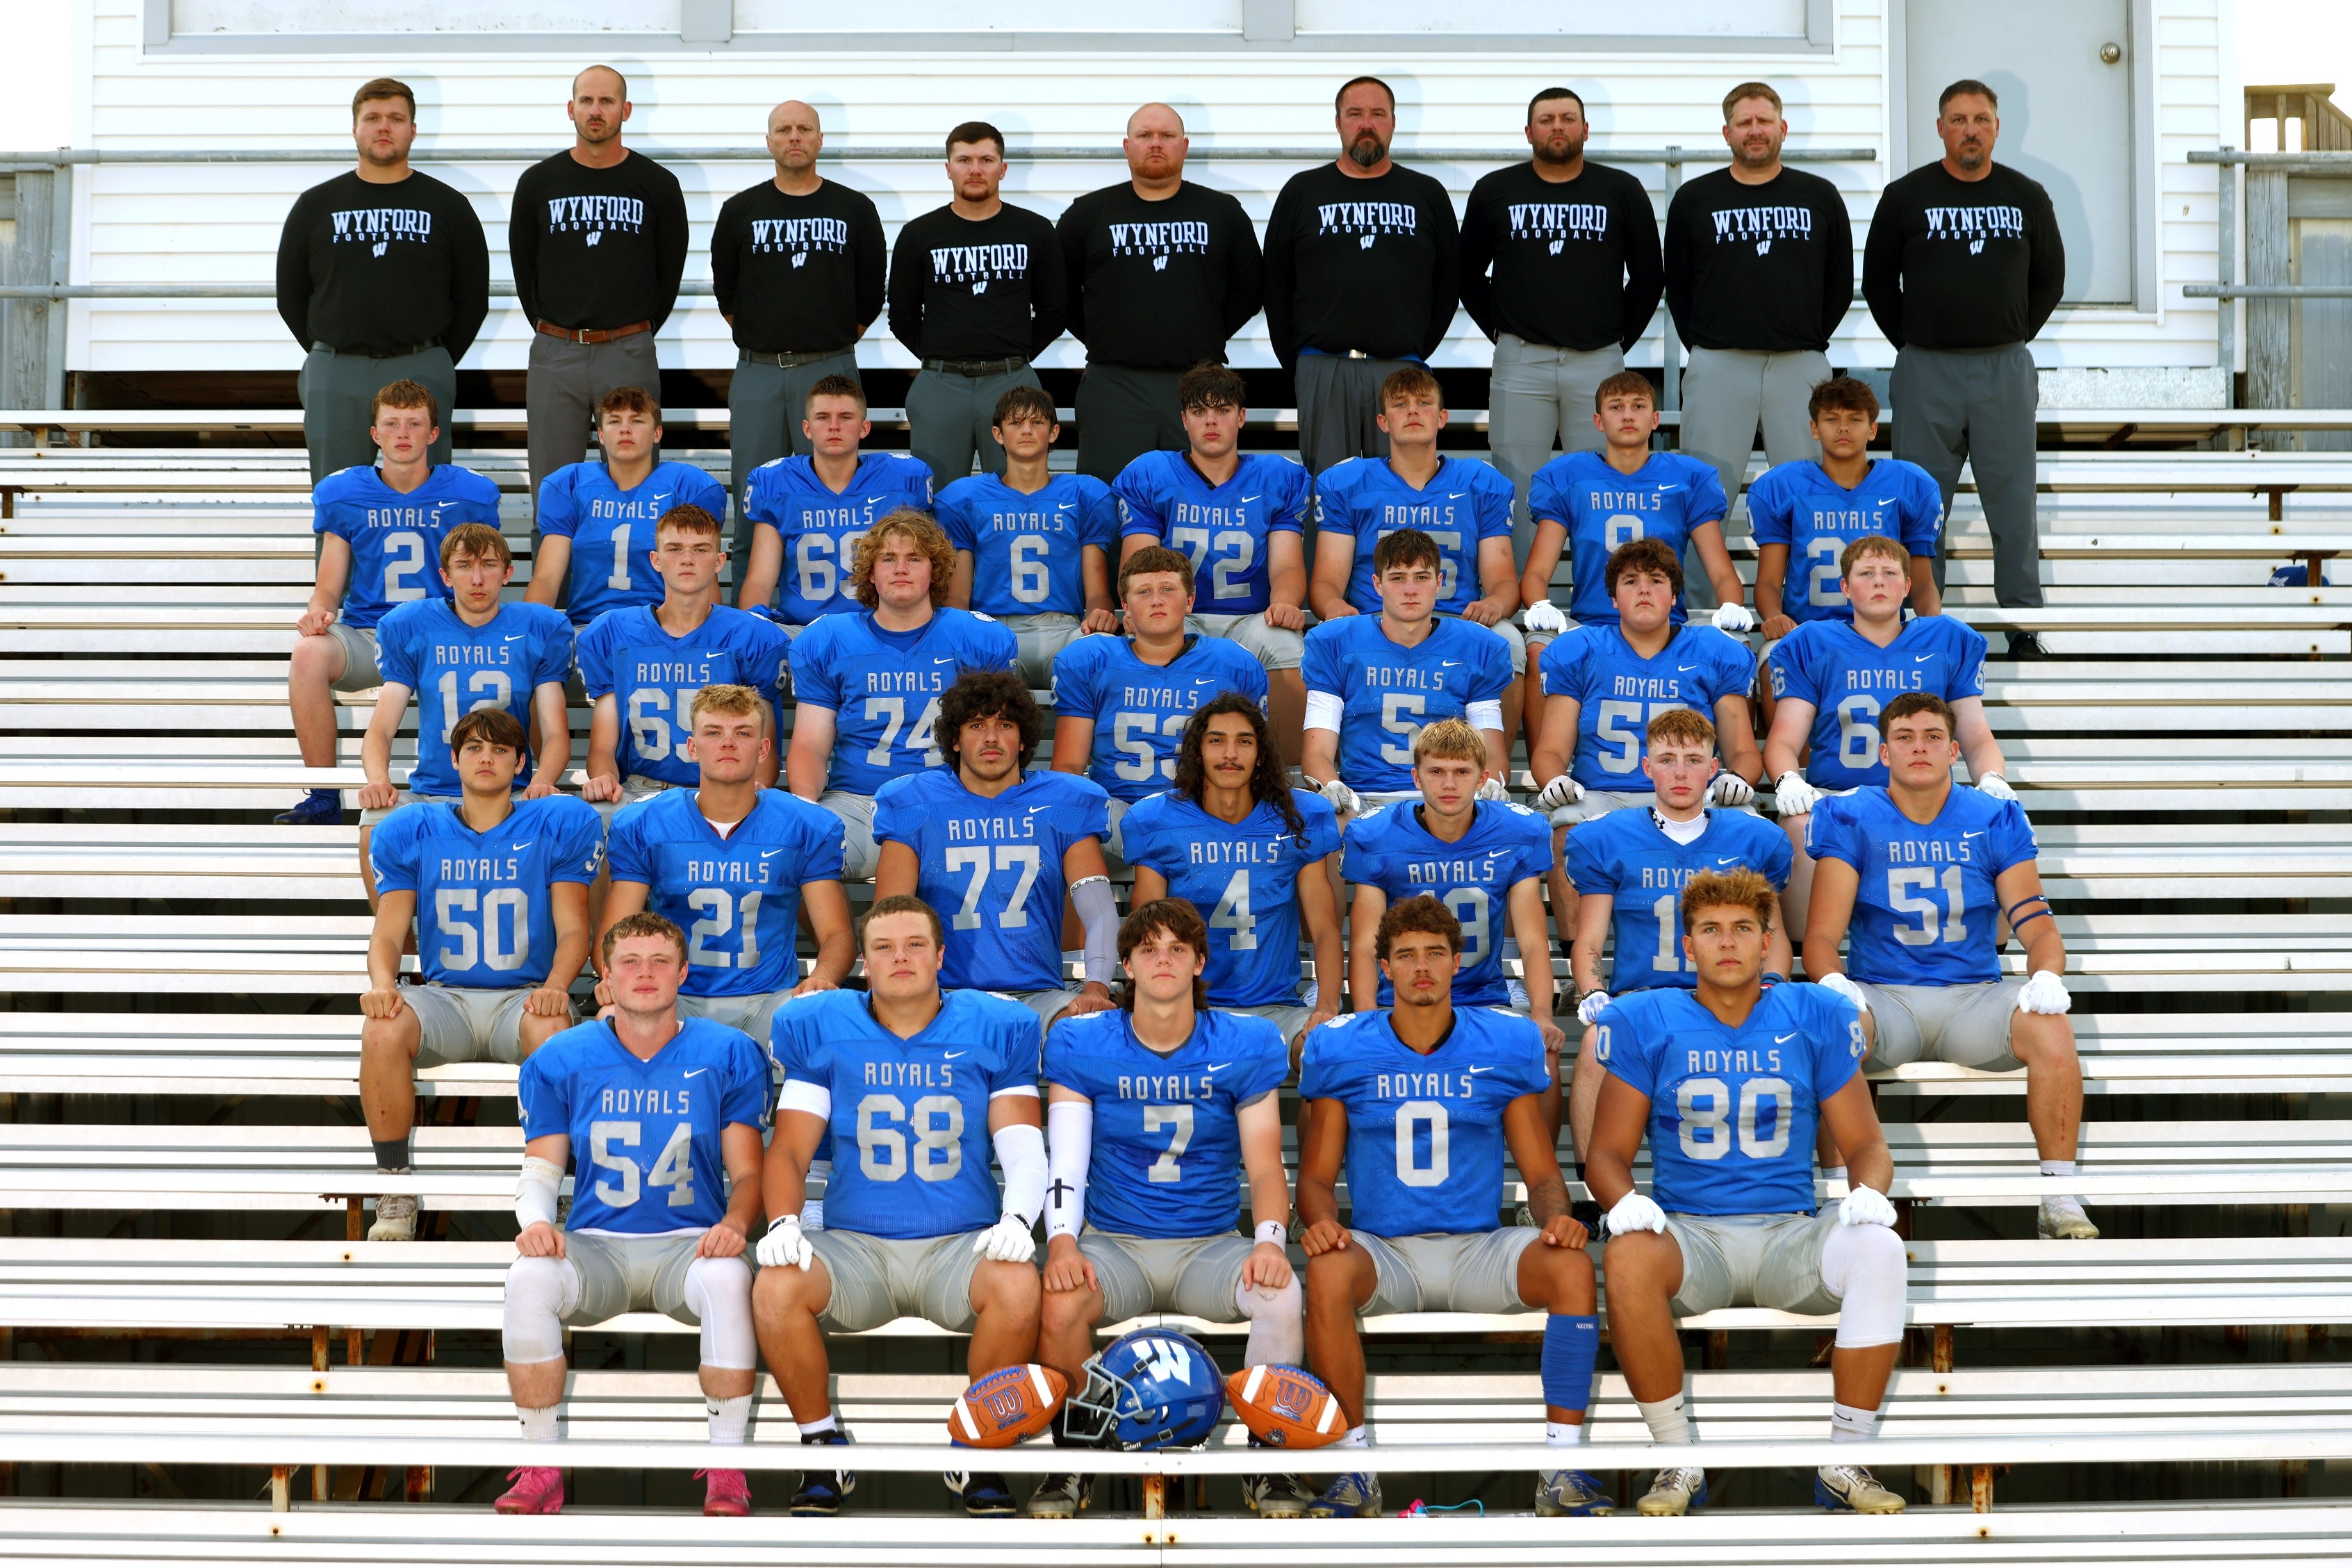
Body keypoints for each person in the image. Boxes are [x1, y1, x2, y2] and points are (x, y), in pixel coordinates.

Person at [1587, 868, 1910, 1517]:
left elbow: (1867, 1146)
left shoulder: (1812, 1013)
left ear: (1768, 942)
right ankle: (1674, 1458)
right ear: (1687, 945)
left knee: (1880, 1248)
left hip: (1790, 1231)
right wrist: (1622, 1200)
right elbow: (1605, 1154)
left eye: (1742, 929)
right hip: (1690, 1234)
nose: (1726, 943)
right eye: (1710, 930)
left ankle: (1845, 1456)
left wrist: (1869, 1193)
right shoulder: (1648, 1017)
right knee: (1624, 1254)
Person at [1297, 896, 1605, 1520]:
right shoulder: (1345, 1048)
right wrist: (1323, 1222)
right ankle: (1353, 1468)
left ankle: (1561, 1464)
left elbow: (1542, 1173)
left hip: (1477, 1246)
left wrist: (1556, 1218)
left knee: (1572, 1267)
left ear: (1456, 961)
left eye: (1434, 953)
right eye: (1405, 955)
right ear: (1382, 966)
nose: (1421, 968)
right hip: (1385, 1251)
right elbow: (1315, 1177)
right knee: (1327, 1269)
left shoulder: (1500, 1043)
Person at [754, 895, 1048, 1519]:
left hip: (958, 1245)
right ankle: (821, 1444)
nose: (901, 958)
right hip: (856, 1247)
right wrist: (783, 1219)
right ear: (862, 961)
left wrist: (1019, 1218)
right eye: (884, 947)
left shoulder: (993, 1026)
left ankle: (978, 1447)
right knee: (774, 1286)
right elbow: (787, 1152)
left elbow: (1022, 1147)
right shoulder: (825, 1026)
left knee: (1019, 1282)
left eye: (915, 944)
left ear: (942, 955)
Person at [1030, 898, 1307, 1519]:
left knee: (1281, 1294)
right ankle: (1071, 1462)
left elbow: (1265, 1164)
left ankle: (1270, 1461)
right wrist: (1063, 1242)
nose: (1162, 960)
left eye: (1176, 949)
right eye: (1148, 949)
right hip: (1114, 1241)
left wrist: (1267, 1239)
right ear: (1125, 963)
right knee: (1060, 1295)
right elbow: (1066, 1161)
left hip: (1208, 1242)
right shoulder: (1082, 1040)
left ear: (1199, 962)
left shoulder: (1245, 1041)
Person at [493, 910, 769, 1519]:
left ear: (683, 972)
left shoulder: (725, 1051)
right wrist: (534, 1220)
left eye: (660, 961)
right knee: (527, 1276)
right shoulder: (562, 1056)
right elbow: (541, 1167)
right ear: (606, 979)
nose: (645, 974)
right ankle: (541, 1464)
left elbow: (749, 1173)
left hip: (690, 1243)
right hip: (597, 1242)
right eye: (630, 963)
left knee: (730, 1276)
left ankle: (727, 1467)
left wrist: (735, 1225)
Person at [1804, 693, 2094, 1240]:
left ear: (1955, 750)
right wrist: (1833, 982)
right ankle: (1838, 1197)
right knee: (1828, 1025)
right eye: (1905, 737)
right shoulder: (1851, 813)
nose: (1919, 747)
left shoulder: (1992, 816)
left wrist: (2046, 974)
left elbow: (2037, 926)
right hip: (1884, 996)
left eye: (1932, 737)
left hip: (1972, 997)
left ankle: (2057, 1194)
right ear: (1883, 753)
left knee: (2051, 1026)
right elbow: (1820, 936)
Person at [360, 708, 602, 1242]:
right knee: (381, 1029)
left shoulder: (553, 824)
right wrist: (382, 982)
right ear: (454, 759)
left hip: (523, 996)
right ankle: (394, 1183)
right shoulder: (414, 828)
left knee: (553, 1029)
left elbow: (572, 929)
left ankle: (555, 1186)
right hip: (446, 997)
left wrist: (557, 985)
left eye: (498, 750)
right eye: (473, 748)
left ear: (521, 763)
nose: (485, 758)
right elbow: (388, 930)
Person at [1864, 79, 2065, 654]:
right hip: (1927, 369)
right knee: (1920, 506)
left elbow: (2049, 278)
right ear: (1940, 128)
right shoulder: (1905, 196)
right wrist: (1911, 340)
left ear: (1997, 127)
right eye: (1957, 119)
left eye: (1980, 119)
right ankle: (1919, 625)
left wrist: (2011, 332)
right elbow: (1878, 282)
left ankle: (2022, 626)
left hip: (2002, 366)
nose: (1969, 129)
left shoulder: (2026, 195)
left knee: (2012, 502)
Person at [1563, 708, 1793, 1155]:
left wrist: (1773, 984)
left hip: (1726, 996)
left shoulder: (1751, 839)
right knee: (1595, 1044)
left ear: (1714, 768)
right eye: (1667, 759)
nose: (1681, 772)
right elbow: (1588, 939)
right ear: (1647, 767)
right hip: (1644, 999)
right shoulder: (1609, 837)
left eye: (1693, 759)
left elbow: (1775, 935)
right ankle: (1598, 1196)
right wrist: (1592, 990)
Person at [279, 379, 502, 827]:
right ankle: (323, 794)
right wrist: (318, 611)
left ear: (433, 434)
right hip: (371, 636)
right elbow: (329, 583)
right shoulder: (345, 493)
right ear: (375, 434)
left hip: (445, 634)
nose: (403, 433)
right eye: (392, 423)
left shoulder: (468, 493)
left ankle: (484, 796)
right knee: (307, 653)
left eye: (415, 423)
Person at [1766, 534, 2004, 937]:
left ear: (1908, 587)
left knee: (1998, 820)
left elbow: (1977, 736)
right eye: (1866, 574)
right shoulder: (1812, 644)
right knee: (1797, 825)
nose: (1879, 582)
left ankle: (1983, 956)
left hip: (1926, 797)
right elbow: (1784, 740)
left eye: (1890, 573)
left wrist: (1992, 779)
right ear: (1845, 586)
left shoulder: (1946, 641)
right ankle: (1811, 954)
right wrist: (1788, 779)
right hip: (1841, 798)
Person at [1460, 86, 1663, 555]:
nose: (1557, 127)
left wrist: (1614, 338)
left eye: (1567, 118)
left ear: (1585, 130)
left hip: (1597, 363)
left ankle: (1603, 598)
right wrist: (1501, 330)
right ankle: (1519, 602)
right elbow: (1465, 274)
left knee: (1602, 483)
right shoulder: (1495, 190)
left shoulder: (1620, 190)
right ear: (1529, 131)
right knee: (1515, 486)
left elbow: (1649, 276)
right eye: (1547, 119)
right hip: (1520, 362)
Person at [600, 684, 854, 1043]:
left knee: (822, 1018)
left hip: (770, 998)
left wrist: (822, 977)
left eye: (744, 733)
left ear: (764, 749)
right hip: (676, 997)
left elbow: (836, 934)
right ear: (692, 747)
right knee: (613, 1016)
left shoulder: (803, 825)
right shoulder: (647, 823)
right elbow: (615, 933)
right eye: (714, 732)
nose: (728, 743)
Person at [1663, 82, 1855, 553]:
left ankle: (1812, 614)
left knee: (1811, 497)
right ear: (1726, 132)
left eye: (1763, 121)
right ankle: (1699, 616)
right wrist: (1709, 345)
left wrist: (1804, 336)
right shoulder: (1693, 198)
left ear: (1782, 129)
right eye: (1744, 122)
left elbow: (1839, 281)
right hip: (1719, 364)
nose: (1754, 131)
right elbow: (1678, 285)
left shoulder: (1819, 196)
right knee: (1703, 500)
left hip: (1799, 366)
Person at [872, 671, 1119, 1032]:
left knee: (1091, 1031)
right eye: (975, 725)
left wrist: (1096, 986)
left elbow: (1099, 910)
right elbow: (889, 919)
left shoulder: (1063, 801)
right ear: (955, 740)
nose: (991, 737)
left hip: (1040, 995)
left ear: (1023, 740)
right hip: (944, 996)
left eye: (1004, 724)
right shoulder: (916, 803)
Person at [784, 510, 1019, 880]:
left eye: (914, 558)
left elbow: (995, 737)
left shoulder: (975, 639)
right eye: (888, 559)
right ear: (870, 572)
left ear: (935, 571)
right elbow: (811, 744)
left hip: (949, 798)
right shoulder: (830, 639)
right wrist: (806, 809)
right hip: (857, 802)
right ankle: (840, 941)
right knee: (789, 854)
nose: (901, 569)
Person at [277, 78, 488, 484]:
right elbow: (291, 295)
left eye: (396, 118)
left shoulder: (449, 206)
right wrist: (331, 353)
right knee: (338, 501)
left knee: (428, 500)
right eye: (372, 118)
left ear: (413, 129)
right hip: (337, 372)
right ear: (355, 127)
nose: (384, 127)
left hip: (421, 365)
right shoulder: (316, 205)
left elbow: (472, 297)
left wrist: (433, 358)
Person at [1520, 372, 1753, 732]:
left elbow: (1722, 571)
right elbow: (1537, 571)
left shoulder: (1686, 479)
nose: (1628, 415)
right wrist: (1539, 604)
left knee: (1736, 647)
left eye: (1638, 406)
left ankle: (1730, 772)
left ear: (1655, 419)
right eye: (1616, 407)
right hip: (1593, 623)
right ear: (1599, 420)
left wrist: (1731, 608)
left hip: (1666, 624)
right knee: (1538, 647)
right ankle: (1547, 779)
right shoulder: (1569, 477)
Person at [1309, 367, 1528, 748]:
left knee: (1507, 639)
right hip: (1376, 622)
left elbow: (1504, 581)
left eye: (1424, 403)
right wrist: (1333, 607)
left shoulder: (1480, 485)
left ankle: (1493, 772)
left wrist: (1494, 603)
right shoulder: (1350, 483)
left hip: (1457, 620)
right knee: (1323, 640)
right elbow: (1327, 580)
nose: (1413, 412)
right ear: (1383, 421)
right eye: (1401, 404)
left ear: (1442, 418)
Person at [355, 524, 573, 900]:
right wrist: (378, 779)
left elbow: (555, 733)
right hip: (434, 793)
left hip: (512, 792)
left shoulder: (539, 628)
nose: (477, 578)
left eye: (489, 565)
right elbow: (381, 730)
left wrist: (545, 779)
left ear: (508, 572)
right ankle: (403, 946)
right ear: (445, 575)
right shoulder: (412, 626)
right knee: (372, 828)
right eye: (464, 565)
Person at [509, 66, 689, 520]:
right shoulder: (537, 183)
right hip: (555, 352)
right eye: (586, 101)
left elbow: (668, 271)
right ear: (570, 109)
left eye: (607, 101)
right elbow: (524, 265)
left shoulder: (658, 184)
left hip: (628, 350)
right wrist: (555, 328)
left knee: (637, 493)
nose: (596, 110)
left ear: (625, 110)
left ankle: (633, 593)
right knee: (553, 496)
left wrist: (633, 330)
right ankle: (553, 595)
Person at [1112, 362, 1313, 760]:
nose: (1211, 421)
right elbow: (1138, 565)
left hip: (1248, 619)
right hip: (1177, 615)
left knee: (1286, 644)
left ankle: (1290, 776)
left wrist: (1286, 601)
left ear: (1241, 418)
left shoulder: (1276, 477)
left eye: (1222, 411)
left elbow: (1287, 564)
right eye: (1200, 411)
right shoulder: (1153, 473)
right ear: (1184, 420)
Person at [712, 99, 887, 552]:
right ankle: (751, 609)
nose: (794, 137)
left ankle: (834, 610)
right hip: (759, 370)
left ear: (820, 140)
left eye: (804, 129)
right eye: (784, 129)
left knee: (834, 488)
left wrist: (827, 341)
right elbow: (726, 290)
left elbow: (870, 290)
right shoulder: (739, 210)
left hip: (829, 367)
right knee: (756, 490)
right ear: (768, 142)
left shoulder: (855, 208)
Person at [1263, 76, 1461, 477]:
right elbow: (1275, 281)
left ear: (1393, 122)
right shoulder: (1303, 191)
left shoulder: (1426, 194)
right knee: (1328, 493)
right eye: (1355, 114)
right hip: (1323, 367)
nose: (1366, 123)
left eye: (1377, 114)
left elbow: (1449, 281)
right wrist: (1301, 365)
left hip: (1401, 370)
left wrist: (1416, 347)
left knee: (1401, 487)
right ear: (1338, 122)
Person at [1057, 103, 1265, 481]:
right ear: (1126, 146)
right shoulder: (1088, 214)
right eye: (1145, 136)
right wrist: (1107, 336)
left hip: (1200, 384)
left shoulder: (1222, 211)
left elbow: (1251, 289)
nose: (1156, 144)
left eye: (1167, 136)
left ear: (1184, 146)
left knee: (1198, 498)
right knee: (1109, 501)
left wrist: (1206, 330)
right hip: (1113, 385)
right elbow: (1059, 292)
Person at [1122, 695, 1343, 1048]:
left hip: (1277, 1009)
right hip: (1190, 1009)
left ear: (1260, 756)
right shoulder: (1157, 821)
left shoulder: (1299, 817)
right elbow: (1145, 933)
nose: (1230, 754)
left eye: (1244, 741)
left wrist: (1327, 1007)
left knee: (1325, 1051)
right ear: (1198, 753)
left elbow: (1324, 929)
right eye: (1216, 741)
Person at [1344, 720, 1559, 1049]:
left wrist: (1543, 1015)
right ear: (1416, 777)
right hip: (1398, 1002)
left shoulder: (1516, 832)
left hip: (1483, 1000)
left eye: (1461, 772)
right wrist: (1365, 1020)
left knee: (1547, 1053)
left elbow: (1532, 942)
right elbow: (1364, 944)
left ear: (1482, 778)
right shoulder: (1378, 836)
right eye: (1436, 772)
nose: (1448, 784)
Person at [1050, 545, 1267, 863]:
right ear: (1125, 604)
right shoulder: (1091, 661)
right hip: (1119, 811)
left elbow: (1251, 759)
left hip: (1200, 809)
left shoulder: (1231, 665)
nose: (1156, 600)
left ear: (1190, 600)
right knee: (1068, 818)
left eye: (1168, 589)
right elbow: (1068, 767)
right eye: (1143, 592)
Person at [575, 504, 791, 814]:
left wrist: (751, 791)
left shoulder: (752, 637)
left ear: (719, 562)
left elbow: (762, 748)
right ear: (655, 559)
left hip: (720, 792)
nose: (687, 559)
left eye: (700, 550)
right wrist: (605, 778)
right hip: (639, 789)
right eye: (674, 549)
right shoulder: (614, 633)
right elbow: (603, 746)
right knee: (593, 819)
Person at [889, 122, 1067, 484]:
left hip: (1012, 380)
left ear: (1002, 168)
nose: (975, 169)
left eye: (986, 159)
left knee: (1018, 490)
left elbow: (1054, 310)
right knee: (934, 498)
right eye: (964, 159)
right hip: (941, 385)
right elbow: (902, 316)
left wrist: (1016, 354)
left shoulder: (1034, 231)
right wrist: (938, 353)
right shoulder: (919, 234)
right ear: (948, 168)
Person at [1301, 529, 1513, 819]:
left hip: (1445, 799)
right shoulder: (1336, 643)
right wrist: (1334, 786)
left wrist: (1491, 783)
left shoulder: (1476, 648)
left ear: (1439, 582)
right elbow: (1317, 752)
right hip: (1363, 799)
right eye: (1398, 577)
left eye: (1421, 577)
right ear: (1378, 584)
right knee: (1332, 819)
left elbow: (1491, 751)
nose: (1410, 590)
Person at [937, 385, 1120, 686]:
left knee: (1104, 654)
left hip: (1064, 627)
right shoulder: (968, 498)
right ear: (998, 434)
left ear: (1054, 432)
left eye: (1037, 422)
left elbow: (1097, 592)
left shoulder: (1083, 495)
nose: (1026, 430)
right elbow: (958, 595)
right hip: (993, 629)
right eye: (1015, 423)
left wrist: (1100, 616)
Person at [1747, 377, 1945, 637]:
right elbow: (1769, 582)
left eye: (1855, 419)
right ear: (1814, 428)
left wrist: (1934, 630)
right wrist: (1774, 616)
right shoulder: (1786, 488)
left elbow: (1921, 584)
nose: (1843, 428)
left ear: (1872, 429)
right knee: (1771, 662)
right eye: (1831, 419)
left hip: (1883, 634)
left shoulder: (1907, 486)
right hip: (1808, 634)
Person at [736, 374, 936, 624]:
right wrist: (755, 630)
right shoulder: (777, 485)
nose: (834, 426)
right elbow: (760, 581)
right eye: (823, 417)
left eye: (845, 417)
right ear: (807, 429)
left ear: (864, 428)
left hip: (880, 630)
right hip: (802, 631)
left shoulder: (901, 481)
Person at [529, 386, 730, 630]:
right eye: (615, 421)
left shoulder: (686, 487)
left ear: (657, 433)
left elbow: (705, 581)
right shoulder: (571, 485)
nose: (625, 429)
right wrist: (531, 635)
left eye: (637, 420)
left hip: (665, 629)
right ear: (601, 435)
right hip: (589, 627)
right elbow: (547, 578)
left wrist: (707, 639)